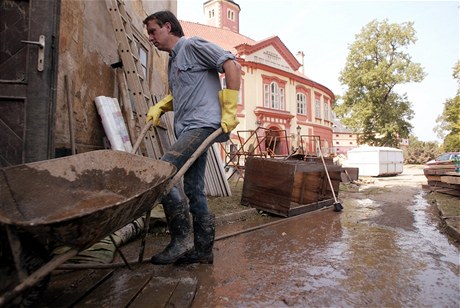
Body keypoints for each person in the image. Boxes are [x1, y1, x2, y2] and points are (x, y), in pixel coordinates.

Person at [143, 11, 241, 265]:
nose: (150, 38)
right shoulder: (172, 61)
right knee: (194, 189)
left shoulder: (193, 45)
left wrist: (229, 110)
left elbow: (232, 65)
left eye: (153, 31)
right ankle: (202, 250)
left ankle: (180, 241)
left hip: (202, 126)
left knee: (162, 173)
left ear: (168, 26)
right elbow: (184, 93)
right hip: (187, 128)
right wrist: (161, 107)